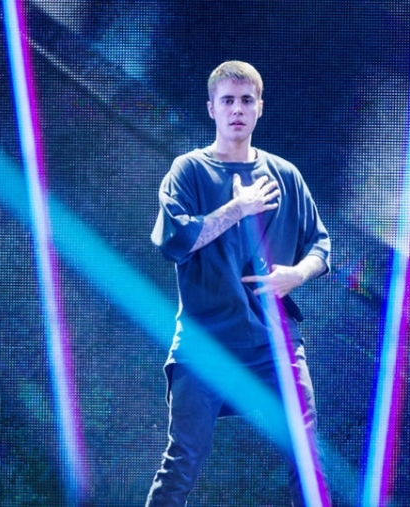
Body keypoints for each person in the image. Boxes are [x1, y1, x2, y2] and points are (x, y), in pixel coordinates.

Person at [147, 60, 332, 506]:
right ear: (211, 108)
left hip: (274, 343)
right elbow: (174, 241)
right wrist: (238, 208)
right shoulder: (189, 171)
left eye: (246, 100)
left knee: (307, 454)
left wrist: (297, 273)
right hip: (205, 344)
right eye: (227, 100)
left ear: (259, 108)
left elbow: (320, 246)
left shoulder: (285, 175)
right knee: (183, 460)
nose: (237, 109)